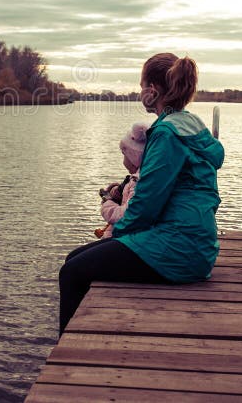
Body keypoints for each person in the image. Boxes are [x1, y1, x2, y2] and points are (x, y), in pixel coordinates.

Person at [58, 52, 224, 336]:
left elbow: (144, 208)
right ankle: (90, 335)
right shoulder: (190, 124)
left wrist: (115, 231)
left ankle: (69, 353)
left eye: (140, 85)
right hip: (194, 241)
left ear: (152, 90)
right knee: (75, 258)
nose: (139, 92)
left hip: (178, 249)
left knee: (72, 272)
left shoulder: (166, 135)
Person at [95, 122, 149, 239]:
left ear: (134, 157)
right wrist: (117, 191)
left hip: (123, 238)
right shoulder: (137, 177)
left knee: (75, 257)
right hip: (121, 236)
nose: (124, 160)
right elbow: (128, 198)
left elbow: (124, 215)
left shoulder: (138, 181)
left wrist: (107, 202)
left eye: (124, 154)